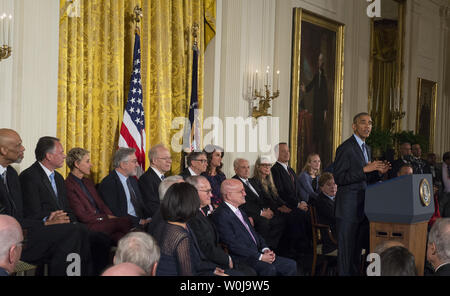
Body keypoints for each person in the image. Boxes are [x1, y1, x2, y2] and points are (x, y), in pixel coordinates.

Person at [19, 136, 111, 275]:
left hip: (64, 227)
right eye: (61, 152)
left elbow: (68, 209)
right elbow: (31, 212)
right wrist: (50, 219)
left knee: (98, 238)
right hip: (40, 231)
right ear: (49, 156)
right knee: (76, 232)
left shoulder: (58, 178)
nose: (64, 156)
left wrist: (68, 220)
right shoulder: (29, 176)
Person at [333, 112, 390, 276]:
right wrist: (364, 169)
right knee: (346, 256)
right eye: (363, 122)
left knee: (356, 255)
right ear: (354, 126)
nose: (368, 126)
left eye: (370, 123)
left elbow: (365, 179)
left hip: (362, 209)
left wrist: (378, 172)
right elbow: (339, 177)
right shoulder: (346, 148)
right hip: (347, 210)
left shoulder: (367, 148)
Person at [211, 179, 297, 276]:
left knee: (291, 265)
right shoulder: (221, 215)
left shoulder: (240, 211)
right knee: (269, 269)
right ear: (229, 195)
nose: (245, 194)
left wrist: (265, 249)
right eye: (241, 191)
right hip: (242, 258)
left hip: (257, 252)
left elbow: (254, 233)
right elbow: (233, 245)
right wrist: (260, 256)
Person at [150, 182, 228, 276]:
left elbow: (193, 261)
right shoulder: (180, 235)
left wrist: (212, 270)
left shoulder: (166, 225)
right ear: (191, 204)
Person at [186, 175, 256, 276]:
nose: (211, 195)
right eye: (207, 191)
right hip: (206, 265)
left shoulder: (203, 211)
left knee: (250, 271)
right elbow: (204, 248)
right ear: (193, 192)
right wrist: (227, 260)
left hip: (218, 258)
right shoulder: (191, 215)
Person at [65, 147, 132, 243]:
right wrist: (106, 218)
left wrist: (111, 216)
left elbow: (101, 205)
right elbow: (81, 215)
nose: (91, 165)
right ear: (77, 164)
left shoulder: (88, 182)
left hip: (102, 222)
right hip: (88, 225)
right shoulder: (68, 185)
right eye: (87, 162)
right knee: (127, 222)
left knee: (120, 237)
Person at [233, 157, 288, 252]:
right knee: (264, 223)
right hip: (249, 213)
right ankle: (263, 250)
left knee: (281, 219)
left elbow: (265, 197)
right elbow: (242, 204)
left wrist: (270, 209)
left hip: (262, 210)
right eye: (243, 167)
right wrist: (261, 212)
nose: (246, 170)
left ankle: (271, 249)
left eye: (248, 167)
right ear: (236, 169)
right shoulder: (235, 182)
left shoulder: (252, 181)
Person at [271, 143, 310, 256]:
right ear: (276, 154)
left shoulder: (291, 170)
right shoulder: (275, 170)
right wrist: (297, 204)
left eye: (288, 151)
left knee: (311, 212)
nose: (287, 153)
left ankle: (308, 249)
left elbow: (297, 190)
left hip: (296, 204)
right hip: (286, 206)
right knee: (300, 216)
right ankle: (298, 252)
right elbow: (281, 192)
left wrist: (302, 201)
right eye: (283, 151)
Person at [98, 148, 152, 229]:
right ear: (123, 165)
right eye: (134, 161)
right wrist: (140, 221)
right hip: (125, 225)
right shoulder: (109, 183)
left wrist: (150, 217)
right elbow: (116, 213)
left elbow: (141, 204)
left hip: (141, 221)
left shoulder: (132, 180)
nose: (137, 165)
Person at [300, 53, 330, 160]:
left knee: (321, 132)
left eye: (321, 60)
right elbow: (312, 84)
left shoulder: (324, 76)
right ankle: (315, 153)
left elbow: (326, 94)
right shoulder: (317, 75)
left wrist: (325, 111)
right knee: (316, 131)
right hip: (316, 107)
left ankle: (320, 154)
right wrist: (305, 89)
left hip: (322, 109)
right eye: (318, 59)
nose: (319, 62)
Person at [138, 144, 172, 217]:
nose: (169, 161)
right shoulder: (146, 179)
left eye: (170, 158)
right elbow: (151, 207)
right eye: (165, 158)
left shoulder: (164, 178)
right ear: (154, 161)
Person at [314, 172, 338, 254]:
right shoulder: (321, 201)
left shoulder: (336, 198)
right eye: (329, 184)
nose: (333, 187)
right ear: (321, 188)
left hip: (339, 232)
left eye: (334, 184)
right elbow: (336, 217)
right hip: (331, 238)